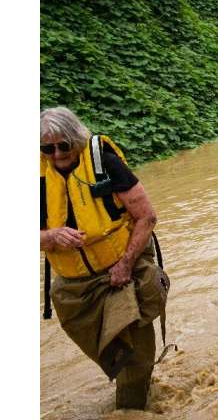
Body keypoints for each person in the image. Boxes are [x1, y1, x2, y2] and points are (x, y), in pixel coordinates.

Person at [40, 107, 168, 410]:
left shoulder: (104, 162)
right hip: (74, 288)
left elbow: (146, 216)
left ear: (77, 139)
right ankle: (137, 394)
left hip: (121, 272)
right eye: (48, 148)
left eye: (63, 146)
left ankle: (131, 410)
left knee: (135, 351)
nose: (56, 154)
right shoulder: (33, 174)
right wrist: (50, 237)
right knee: (110, 351)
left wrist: (125, 264)